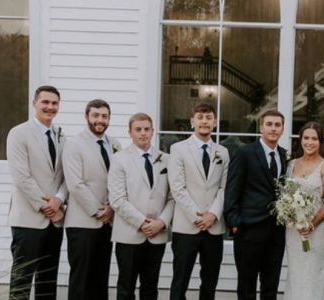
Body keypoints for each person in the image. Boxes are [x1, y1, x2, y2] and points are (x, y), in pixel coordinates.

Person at [6, 85, 66, 300]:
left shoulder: (60, 136)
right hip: (29, 219)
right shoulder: (19, 133)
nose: (50, 107)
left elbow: (64, 176)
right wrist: (47, 207)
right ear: (35, 103)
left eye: (54, 103)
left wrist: (59, 200)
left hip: (55, 221)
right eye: (45, 102)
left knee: (47, 280)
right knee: (22, 279)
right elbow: (22, 178)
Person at [108, 113, 174, 300]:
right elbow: (118, 199)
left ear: (152, 131)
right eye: (138, 129)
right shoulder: (119, 159)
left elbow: (172, 197)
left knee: (150, 287)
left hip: (158, 233)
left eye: (147, 129)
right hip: (129, 233)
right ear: (130, 132)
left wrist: (161, 222)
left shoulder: (166, 159)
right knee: (125, 288)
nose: (143, 133)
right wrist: (143, 222)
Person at [224, 110, 288, 300]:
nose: (273, 129)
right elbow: (232, 189)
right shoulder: (244, 153)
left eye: (277, 125)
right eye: (269, 124)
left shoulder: (284, 155)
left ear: (283, 129)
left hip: (276, 230)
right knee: (247, 284)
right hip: (248, 229)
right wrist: (234, 223)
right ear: (261, 127)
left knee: (271, 283)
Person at [168, 103, 230, 300]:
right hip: (187, 225)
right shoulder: (177, 149)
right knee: (180, 280)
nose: (205, 121)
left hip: (214, 225)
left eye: (209, 117)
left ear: (215, 123)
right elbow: (177, 188)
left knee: (210, 280)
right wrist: (198, 217)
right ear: (192, 121)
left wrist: (213, 214)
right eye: (200, 117)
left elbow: (224, 187)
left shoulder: (223, 152)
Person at [62, 99, 121, 300]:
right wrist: (98, 211)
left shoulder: (115, 144)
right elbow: (75, 184)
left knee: (100, 277)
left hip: (108, 222)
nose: (100, 120)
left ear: (109, 119)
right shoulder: (74, 145)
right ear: (87, 117)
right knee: (81, 278)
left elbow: (119, 181)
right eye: (95, 115)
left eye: (104, 116)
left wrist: (112, 209)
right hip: (82, 222)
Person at [283, 121, 324, 300]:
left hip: (318, 229)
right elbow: (285, 196)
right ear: (300, 140)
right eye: (306, 138)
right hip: (294, 230)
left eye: (314, 139)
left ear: (320, 142)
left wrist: (311, 225)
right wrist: (291, 216)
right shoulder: (291, 164)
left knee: (315, 271)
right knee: (296, 271)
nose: (309, 142)